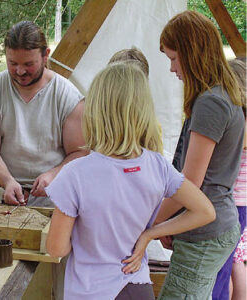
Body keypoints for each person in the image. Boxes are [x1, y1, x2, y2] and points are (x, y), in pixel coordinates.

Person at [45, 62, 216, 299]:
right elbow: (206, 211)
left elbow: (56, 248)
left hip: (91, 290)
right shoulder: (158, 165)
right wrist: (149, 234)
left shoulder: (74, 173)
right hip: (138, 286)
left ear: (95, 110)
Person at [155, 11, 244, 299]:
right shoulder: (220, 95)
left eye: (173, 58)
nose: (171, 68)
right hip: (209, 226)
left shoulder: (211, 102)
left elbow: (190, 183)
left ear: (192, 53)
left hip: (206, 232)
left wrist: (150, 222)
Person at [0, 20, 86, 208]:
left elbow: (80, 152)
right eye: (12, 63)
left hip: (54, 193)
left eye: (28, 64)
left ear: (45, 56)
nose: (20, 71)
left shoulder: (68, 96)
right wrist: (8, 181)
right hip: (2, 189)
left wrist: (53, 175)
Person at [227, 58, 246, 300]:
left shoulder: (239, 124)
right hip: (244, 203)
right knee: (237, 260)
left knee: (231, 262)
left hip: (235, 203)